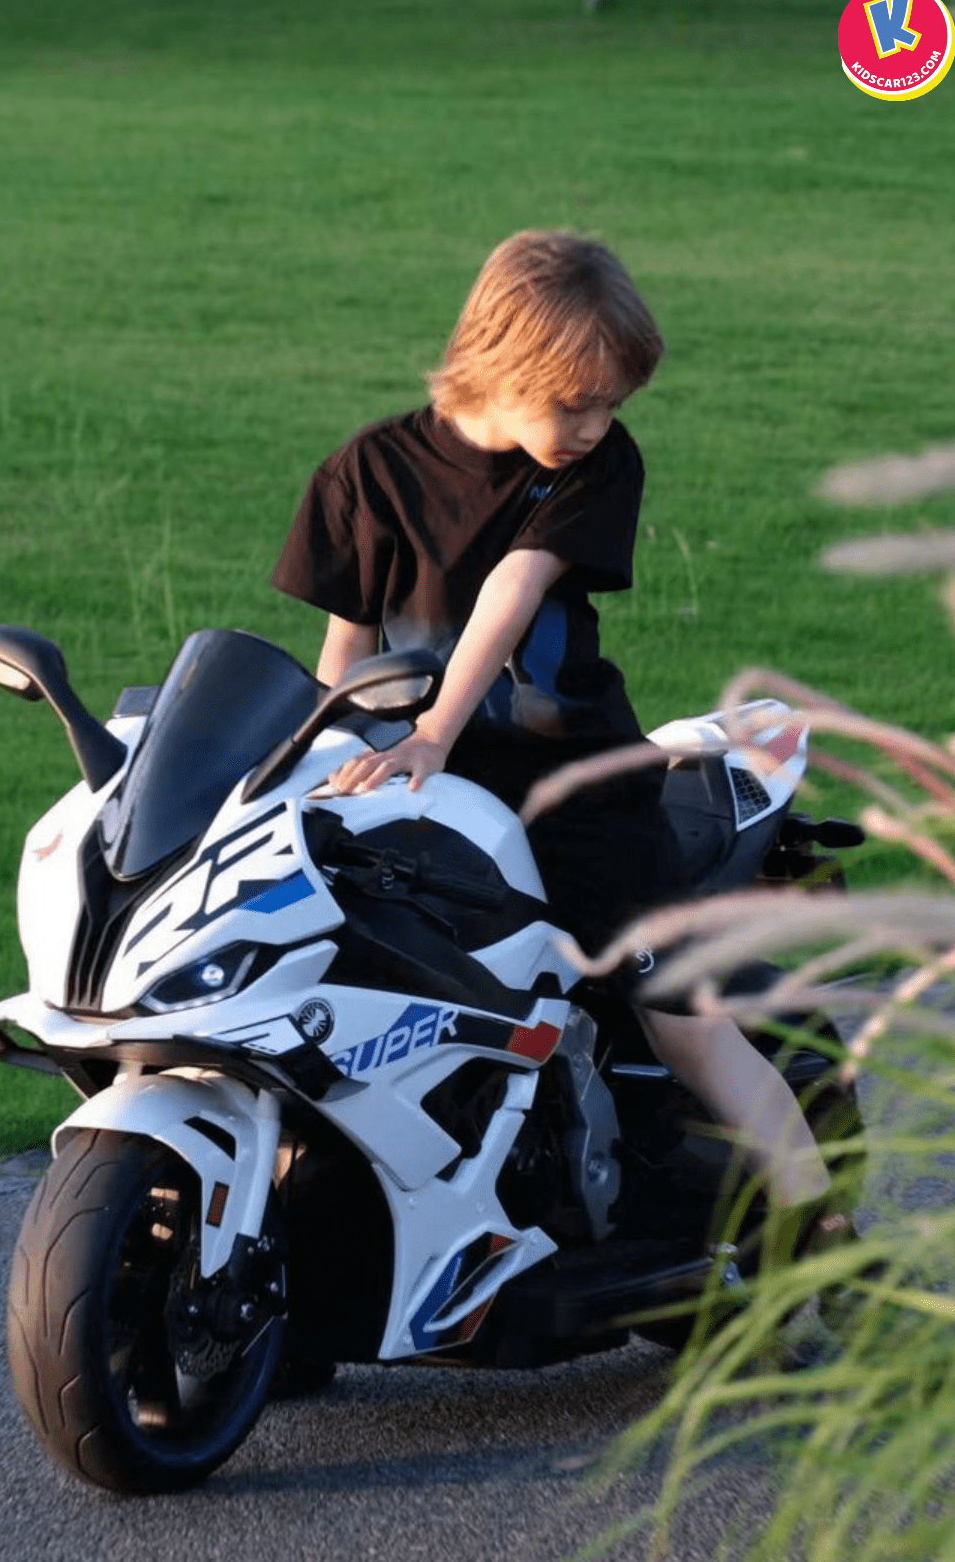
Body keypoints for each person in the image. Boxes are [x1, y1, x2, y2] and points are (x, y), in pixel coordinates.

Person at [271, 230, 830, 1214]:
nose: (596, 424)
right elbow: (344, 650)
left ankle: (832, 1242)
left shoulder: (593, 466)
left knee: (686, 1025)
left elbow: (511, 591)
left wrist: (435, 729)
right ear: (501, 360)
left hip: (572, 783)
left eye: (612, 403)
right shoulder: (366, 471)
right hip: (423, 783)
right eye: (576, 402)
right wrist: (315, 757)